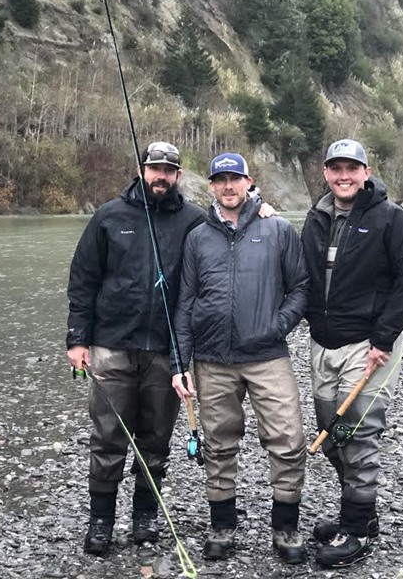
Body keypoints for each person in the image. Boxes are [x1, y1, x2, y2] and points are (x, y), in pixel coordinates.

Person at [66, 142, 276, 557]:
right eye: (154, 168)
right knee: (108, 436)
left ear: (179, 176)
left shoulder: (194, 221)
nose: (160, 176)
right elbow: (83, 278)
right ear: (142, 170)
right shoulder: (109, 216)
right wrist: (77, 338)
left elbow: (232, 223)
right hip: (112, 345)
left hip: (166, 350)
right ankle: (101, 520)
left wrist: (261, 205)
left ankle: (145, 515)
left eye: (168, 170)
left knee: (156, 439)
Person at [170, 152, 310, 564]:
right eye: (220, 180)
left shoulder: (278, 229)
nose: (228, 186)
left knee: (288, 440)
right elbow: (184, 302)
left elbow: (300, 288)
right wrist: (181, 362)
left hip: (267, 355)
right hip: (212, 358)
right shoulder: (197, 237)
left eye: (235, 178)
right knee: (217, 443)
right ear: (211, 186)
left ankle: (285, 527)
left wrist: (275, 325)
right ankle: (222, 525)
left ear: (249, 182)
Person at [300, 139, 403, 568]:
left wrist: (385, 338)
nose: (344, 176)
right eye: (336, 168)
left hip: (370, 347)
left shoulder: (392, 220)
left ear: (366, 172)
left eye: (352, 168)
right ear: (326, 173)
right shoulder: (315, 219)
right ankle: (360, 511)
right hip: (322, 342)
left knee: (357, 433)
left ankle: (356, 529)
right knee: (330, 432)